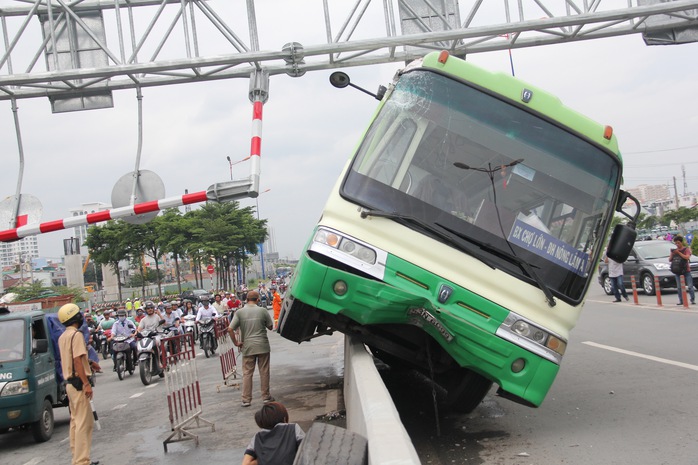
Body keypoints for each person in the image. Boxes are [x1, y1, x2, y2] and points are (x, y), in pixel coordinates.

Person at [57, 303, 99, 465]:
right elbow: (76, 361)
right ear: (75, 317)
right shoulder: (77, 335)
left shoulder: (63, 336)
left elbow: (75, 359)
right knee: (84, 423)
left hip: (69, 384)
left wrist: (89, 362)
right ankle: (82, 461)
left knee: (75, 422)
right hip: (78, 383)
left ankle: (77, 458)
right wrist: (86, 384)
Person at [228, 290, 274, 407]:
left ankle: (246, 399)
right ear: (258, 299)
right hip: (262, 345)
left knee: (247, 373)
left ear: (246, 299)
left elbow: (230, 329)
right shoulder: (263, 311)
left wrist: (236, 343)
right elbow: (270, 326)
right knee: (264, 371)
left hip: (247, 347)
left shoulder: (240, 312)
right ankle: (265, 396)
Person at [670, 235, 695, 306]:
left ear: (681, 242)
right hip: (677, 271)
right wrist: (672, 253)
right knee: (679, 287)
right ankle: (681, 300)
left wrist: (679, 253)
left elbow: (687, 257)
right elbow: (670, 260)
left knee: (690, 286)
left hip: (686, 270)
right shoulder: (675, 250)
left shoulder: (686, 249)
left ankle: (692, 299)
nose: (677, 245)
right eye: (676, 243)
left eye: (678, 243)